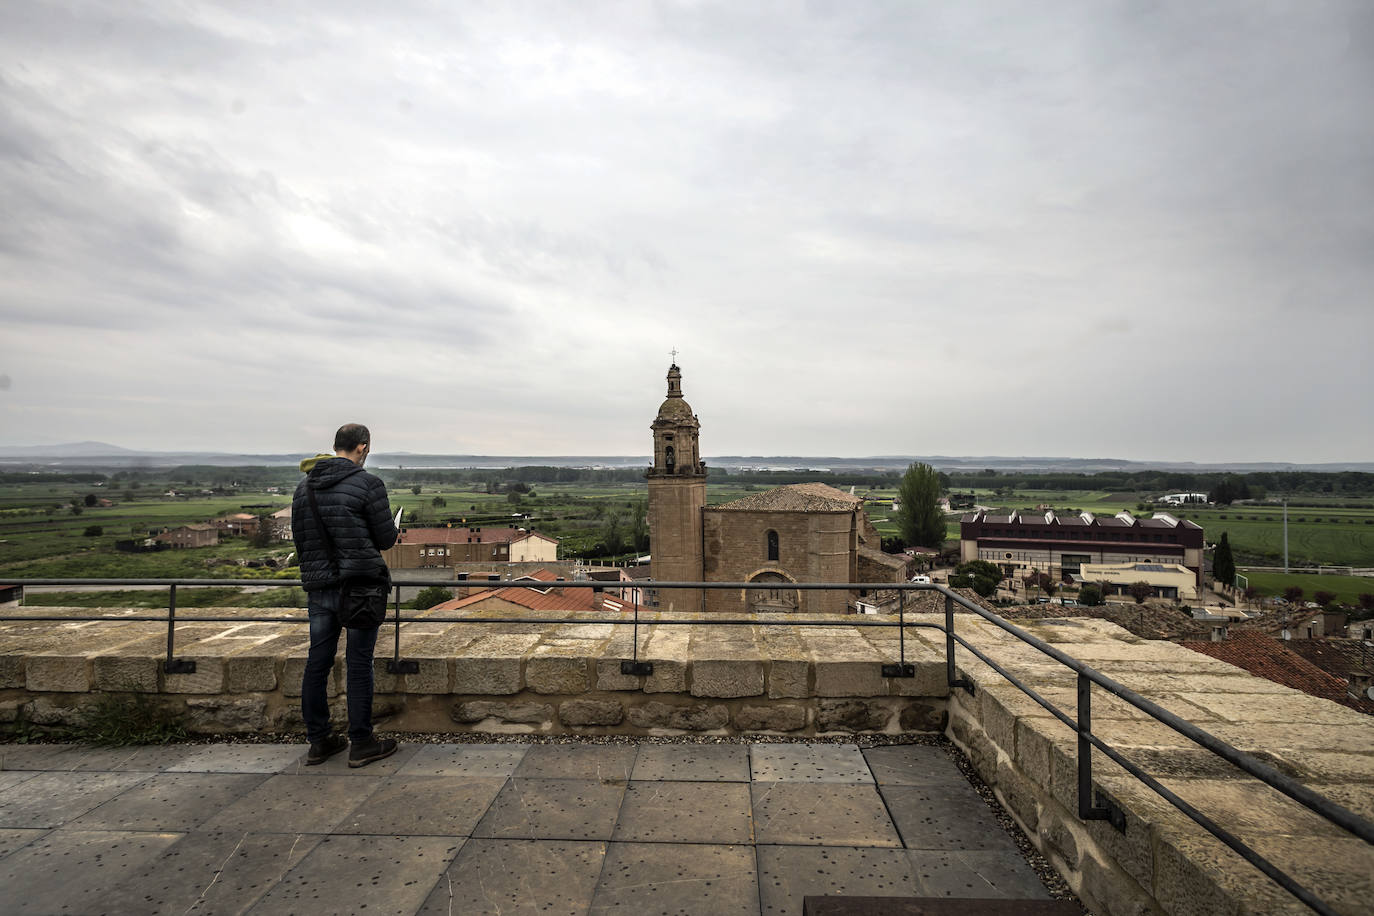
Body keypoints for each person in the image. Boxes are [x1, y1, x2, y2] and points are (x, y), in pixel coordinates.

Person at [291, 423, 400, 767]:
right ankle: (362, 741)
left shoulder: (303, 488)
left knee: (317, 661)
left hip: (320, 586)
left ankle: (319, 740)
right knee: (359, 663)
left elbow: (301, 539)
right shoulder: (368, 484)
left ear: (335, 446)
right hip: (360, 586)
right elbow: (385, 539)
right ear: (363, 448)